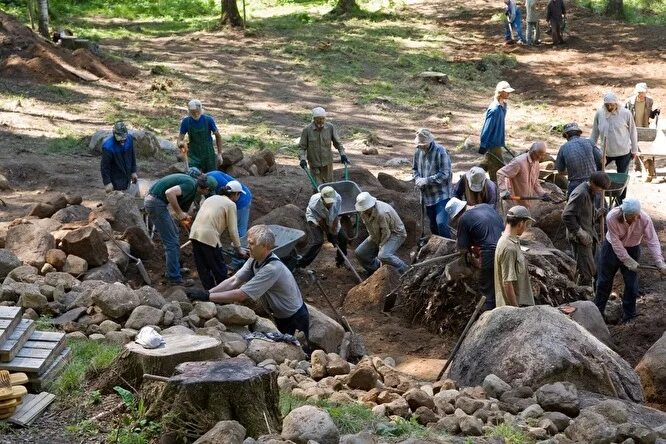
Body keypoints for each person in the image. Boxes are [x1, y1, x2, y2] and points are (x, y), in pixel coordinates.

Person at [202, 225, 310, 346]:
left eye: (251, 243)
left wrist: (208, 297)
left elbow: (241, 295)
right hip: (280, 315)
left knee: (297, 352)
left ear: (265, 246)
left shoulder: (272, 268)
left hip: (294, 317)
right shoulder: (254, 259)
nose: (248, 247)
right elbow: (234, 280)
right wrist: (208, 292)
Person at [595, 199, 666, 323]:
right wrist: (627, 260)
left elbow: (652, 240)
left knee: (631, 285)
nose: (635, 218)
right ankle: (598, 312)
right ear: (624, 213)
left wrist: (659, 261)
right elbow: (616, 243)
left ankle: (629, 316)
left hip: (633, 248)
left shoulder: (644, 218)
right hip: (611, 249)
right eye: (631, 216)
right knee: (604, 281)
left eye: (637, 215)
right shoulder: (612, 217)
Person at [144, 173, 217, 285]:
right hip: (155, 203)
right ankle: (174, 278)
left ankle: (174, 270)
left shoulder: (192, 187)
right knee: (171, 242)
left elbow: (182, 210)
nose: (206, 194)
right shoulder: (190, 184)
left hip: (156, 202)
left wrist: (184, 217)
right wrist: (179, 213)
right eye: (208, 192)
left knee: (175, 233)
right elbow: (169, 193)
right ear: (206, 189)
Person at [446, 198, 504, 309]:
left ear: (458, 214)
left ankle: (489, 314)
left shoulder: (464, 218)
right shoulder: (485, 206)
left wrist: (470, 255)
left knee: (487, 286)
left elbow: (462, 249)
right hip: (506, 244)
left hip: (490, 251)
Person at [189, 181, 247, 290]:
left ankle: (209, 293)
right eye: (239, 194)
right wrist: (239, 249)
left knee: (203, 267)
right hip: (209, 236)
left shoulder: (211, 198)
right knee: (219, 268)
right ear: (235, 194)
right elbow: (233, 230)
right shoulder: (230, 204)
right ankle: (223, 296)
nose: (238, 197)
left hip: (195, 233)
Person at [561, 172, 611, 286]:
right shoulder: (581, 193)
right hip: (580, 238)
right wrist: (579, 232)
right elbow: (567, 215)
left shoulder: (591, 191)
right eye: (599, 188)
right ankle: (583, 297)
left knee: (594, 266)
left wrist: (597, 214)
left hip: (589, 234)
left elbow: (584, 212)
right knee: (585, 271)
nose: (600, 191)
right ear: (592, 182)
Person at [590, 92, 638, 203]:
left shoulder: (626, 113)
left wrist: (634, 149)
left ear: (616, 103)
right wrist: (590, 148)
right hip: (605, 152)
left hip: (623, 151)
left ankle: (620, 202)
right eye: (607, 105)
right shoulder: (599, 113)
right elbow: (594, 133)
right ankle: (596, 198)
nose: (610, 107)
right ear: (604, 105)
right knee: (597, 173)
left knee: (622, 178)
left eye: (612, 105)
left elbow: (633, 132)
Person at [412, 128, 453, 238]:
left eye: (424, 144)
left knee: (441, 223)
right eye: (420, 144)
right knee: (433, 226)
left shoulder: (440, 151)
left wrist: (426, 180)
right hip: (427, 196)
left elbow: (445, 174)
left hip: (442, 194)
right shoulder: (417, 152)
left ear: (430, 141)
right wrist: (417, 179)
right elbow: (414, 169)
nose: (421, 146)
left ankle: (449, 248)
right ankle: (437, 248)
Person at [354, 192, 407, 275]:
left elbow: (386, 233)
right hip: (376, 234)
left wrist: (381, 245)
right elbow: (369, 228)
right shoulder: (363, 212)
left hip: (395, 233)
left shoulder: (382, 213)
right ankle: (376, 271)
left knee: (383, 255)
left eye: (366, 208)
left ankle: (405, 270)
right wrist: (375, 240)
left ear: (371, 205)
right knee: (360, 253)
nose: (364, 211)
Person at [494, 206, 536, 307]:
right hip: (516, 307)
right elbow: (507, 283)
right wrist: (516, 310)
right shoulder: (508, 247)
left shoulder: (512, 240)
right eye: (526, 224)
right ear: (520, 223)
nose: (526, 227)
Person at [297, 186, 348, 269]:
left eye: (332, 202)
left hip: (331, 217)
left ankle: (340, 261)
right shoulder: (315, 204)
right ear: (322, 199)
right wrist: (329, 234)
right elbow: (321, 222)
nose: (330, 204)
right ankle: (301, 264)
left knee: (342, 238)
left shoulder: (338, 198)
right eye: (328, 202)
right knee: (318, 241)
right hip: (315, 218)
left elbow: (335, 217)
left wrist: (334, 234)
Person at [497, 141, 556, 208]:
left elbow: (535, 182)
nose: (541, 157)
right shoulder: (518, 162)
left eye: (543, 155)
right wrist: (503, 191)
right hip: (513, 202)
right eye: (539, 154)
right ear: (532, 151)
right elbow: (500, 173)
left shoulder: (536, 163)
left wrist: (543, 194)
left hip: (525, 203)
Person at [299, 107, 348, 185]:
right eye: (318, 119)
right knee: (317, 187)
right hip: (314, 163)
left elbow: (338, 143)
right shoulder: (307, 130)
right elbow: (302, 147)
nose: (320, 121)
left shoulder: (330, 127)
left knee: (329, 186)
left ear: (325, 118)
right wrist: (302, 159)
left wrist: (343, 154)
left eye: (322, 119)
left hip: (327, 162)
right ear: (314, 119)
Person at [479, 81, 514, 182]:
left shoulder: (503, 106)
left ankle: (468, 178)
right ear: (500, 92)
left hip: (498, 142)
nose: (509, 93)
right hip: (492, 144)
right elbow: (487, 127)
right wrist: (483, 144)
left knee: (486, 164)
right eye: (506, 92)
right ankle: (495, 189)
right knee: (498, 169)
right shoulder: (494, 109)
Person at [555, 122, 602, 196]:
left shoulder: (563, 148)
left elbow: (560, 171)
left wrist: (573, 171)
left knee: (573, 206)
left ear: (566, 135)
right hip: (593, 182)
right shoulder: (589, 142)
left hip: (575, 186)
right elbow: (602, 160)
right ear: (578, 133)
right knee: (597, 205)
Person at [625, 82, 660, 180]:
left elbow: (649, 115)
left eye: (643, 92)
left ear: (646, 93)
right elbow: (624, 114)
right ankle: (637, 169)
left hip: (644, 128)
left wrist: (654, 112)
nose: (641, 94)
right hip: (632, 128)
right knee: (635, 149)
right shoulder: (629, 102)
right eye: (639, 92)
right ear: (636, 91)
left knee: (643, 150)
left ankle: (647, 169)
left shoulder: (649, 101)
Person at [177, 99, 223, 173]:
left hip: (208, 154)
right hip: (193, 154)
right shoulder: (186, 122)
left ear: (201, 109)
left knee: (212, 175)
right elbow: (180, 138)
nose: (195, 114)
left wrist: (220, 154)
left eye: (197, 111)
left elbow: (218, 136)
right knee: (192, 173)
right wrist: (180, 144)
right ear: (189, 111)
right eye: (193, 112)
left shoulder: (208, 120)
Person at [205, 170, 253, 238]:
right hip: (234, 195)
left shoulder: (223, 184)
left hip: (243, 201)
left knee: (239, 226)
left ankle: (241, 244)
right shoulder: (210, 179)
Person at [101, 121, 137, 192]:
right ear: (115, 134)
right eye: (120, 138)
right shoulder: (108, 146)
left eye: (124, 137)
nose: (122, 140)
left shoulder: (129, 139)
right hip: (115, 176)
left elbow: (132, 156)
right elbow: (105, 166)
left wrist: (133, 171)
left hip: (127, 173)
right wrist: (107, 182)